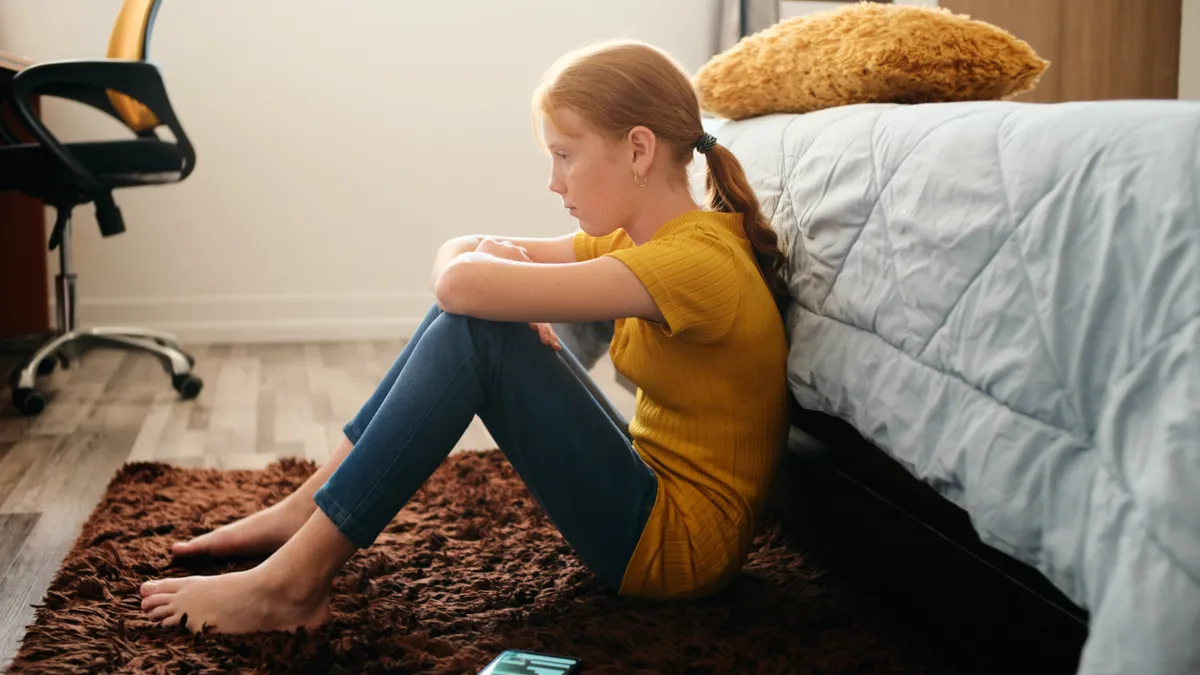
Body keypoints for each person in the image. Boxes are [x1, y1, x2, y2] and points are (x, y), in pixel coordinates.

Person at [139, 39, 791, 634]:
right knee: (471, 321)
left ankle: (293, 583)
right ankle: (310, 506)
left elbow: (461, 282)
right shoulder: (644, 238)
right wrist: (483, 270)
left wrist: (486, 276)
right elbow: (464, 264)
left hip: (675, 549)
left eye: (565, 156)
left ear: (639, 150)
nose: (554, 183)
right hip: (651, 489)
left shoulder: (693, 265)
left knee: (477, 334)